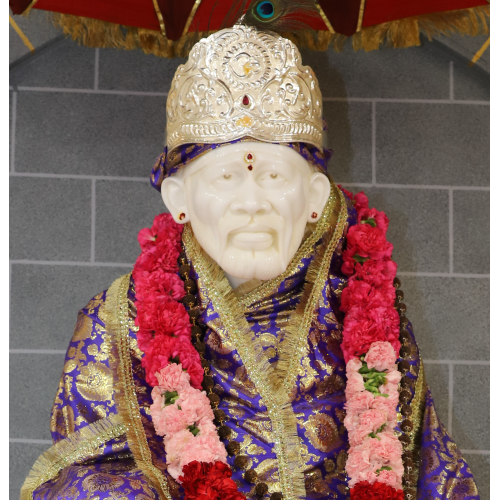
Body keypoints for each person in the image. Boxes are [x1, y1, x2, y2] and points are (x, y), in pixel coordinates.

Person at [21, 23, 478, 500]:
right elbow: (84, 476)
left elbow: (428, 461)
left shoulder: (363, 306)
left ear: (314, 196)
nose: (252, 203)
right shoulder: (117, 320)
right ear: (178, 199)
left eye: (274, 175)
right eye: (225, 177)